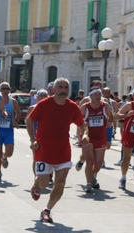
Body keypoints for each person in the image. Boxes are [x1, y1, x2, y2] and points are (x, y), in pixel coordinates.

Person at [26, 77, 85, 223]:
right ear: (54, 89)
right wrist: (32, 139)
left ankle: (47, 210)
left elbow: (81, 123)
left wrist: (84, 135)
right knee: (44, 182)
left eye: (66, 88)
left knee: (60, 182)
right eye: (60, 87)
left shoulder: (72, 107)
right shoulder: (44, 104)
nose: (63, 91)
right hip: (44, 149)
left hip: (62, 150)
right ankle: (37, 184)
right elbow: (29, 119)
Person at [79, 87, 113, 192]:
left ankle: (93, 177)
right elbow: (79, 121)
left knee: (98, 164)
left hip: (101, 137)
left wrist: (109, 121)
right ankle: (88, 183)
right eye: (96, 94)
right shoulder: (85, 107)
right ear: (91, 96)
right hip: (88, 137)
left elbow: (111, 117)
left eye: (99, 94)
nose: (98, 96)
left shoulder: (105, 106)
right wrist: (83, 133)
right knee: (90, 161)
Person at [0, 82, 21, 181]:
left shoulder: (12, 101)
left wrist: (16, 120)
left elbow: (18, 112)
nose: (6, 91)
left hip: (8, 131)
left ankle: (4, 157)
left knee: (9, 153)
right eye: (3, 89)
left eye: (7, 89)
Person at [27, 89, 49, 176]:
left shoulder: (50, 108)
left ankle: (48, 174)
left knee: (49, 157)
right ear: (37, 97)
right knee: (36, 158)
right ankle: (36, 178)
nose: (43, 97)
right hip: (36, 138)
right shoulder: (32, 108)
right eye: (41, 96)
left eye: (45, 96)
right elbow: (28, 123)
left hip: (48, 137)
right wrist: (32, 138)